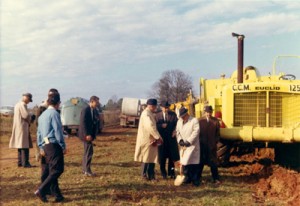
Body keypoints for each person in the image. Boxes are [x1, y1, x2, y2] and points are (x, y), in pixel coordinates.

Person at [35, 92, 66, 202]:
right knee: (58, 169)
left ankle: (58, 195)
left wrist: (41, 146)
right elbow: (58, 131)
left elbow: (38, 133)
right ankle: (41, 190)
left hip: (45, 145)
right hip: (53, 145)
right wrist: (62, 145)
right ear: (58, 103)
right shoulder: (55, 114)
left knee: (52, 170)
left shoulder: (42, 115)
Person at [134, 98, 163, 181]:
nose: (155, 108)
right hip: (147, 140)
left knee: (150, 158)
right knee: (146, 158)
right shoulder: (146, 114)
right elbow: (150, 127)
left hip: (150, 139)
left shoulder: (148, 113)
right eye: (155, 107)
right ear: (151, 106)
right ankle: (144, 175)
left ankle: (151, 175)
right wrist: (158, 137)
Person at [176, 107, 200, 186]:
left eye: (183, 116)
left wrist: (189, 141)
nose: (182, 118)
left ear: (187, 114)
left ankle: (195, 179)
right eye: (181, 116)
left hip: (192, 145)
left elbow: (196, 132)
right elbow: (177, 131)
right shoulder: (179, 121)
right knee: (185, 163)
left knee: (193, 163)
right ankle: (187, 178)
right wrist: (180, 140)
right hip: (184, 147)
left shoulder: (194, 120)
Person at [155, 100, 179, 179]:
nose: (166, 109)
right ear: (161, 107)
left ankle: (171, 173)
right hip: (162, 140)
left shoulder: (173, 114)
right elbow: (154, 126)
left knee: (172, 158)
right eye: (165, 108)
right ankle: (163, 173)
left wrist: (175, 131)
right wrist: (161, 125)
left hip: (171, 140)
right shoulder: (157, 115)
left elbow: (177, 124)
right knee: (162, 158)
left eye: (167, 107)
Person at [9, 93, 34, 168]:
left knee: (20, 145)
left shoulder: (17, 104)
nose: (29, 102)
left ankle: (20, 162)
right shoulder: (23, 104)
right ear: (26, 97)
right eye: (29, 99)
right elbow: (25, 115)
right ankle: (25, 163)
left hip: (17, 127)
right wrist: (31, 117)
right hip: (22, 127)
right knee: (24, 145)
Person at [198, 105, 221, 184]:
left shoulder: (215, 121)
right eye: (207, 112)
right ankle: (198, 177)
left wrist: (215, 142)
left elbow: (218, 134)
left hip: (212, 145)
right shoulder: (200, 121)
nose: (208, 114)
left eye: (210, 112)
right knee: (200, 162)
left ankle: (215, 178)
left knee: (213, 163)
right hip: (202, 145)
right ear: (204, 112)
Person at [78, 96, 100, 176]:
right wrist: (87, 134)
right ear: (92, 101)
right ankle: (87, 170)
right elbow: (83, 123)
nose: (97, 104)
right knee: (89, 152)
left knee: (87, 152)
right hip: (86, 135)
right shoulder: (85, 110)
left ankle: (85, 170)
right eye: (96, 102)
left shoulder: (93, 110)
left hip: (89, 135)